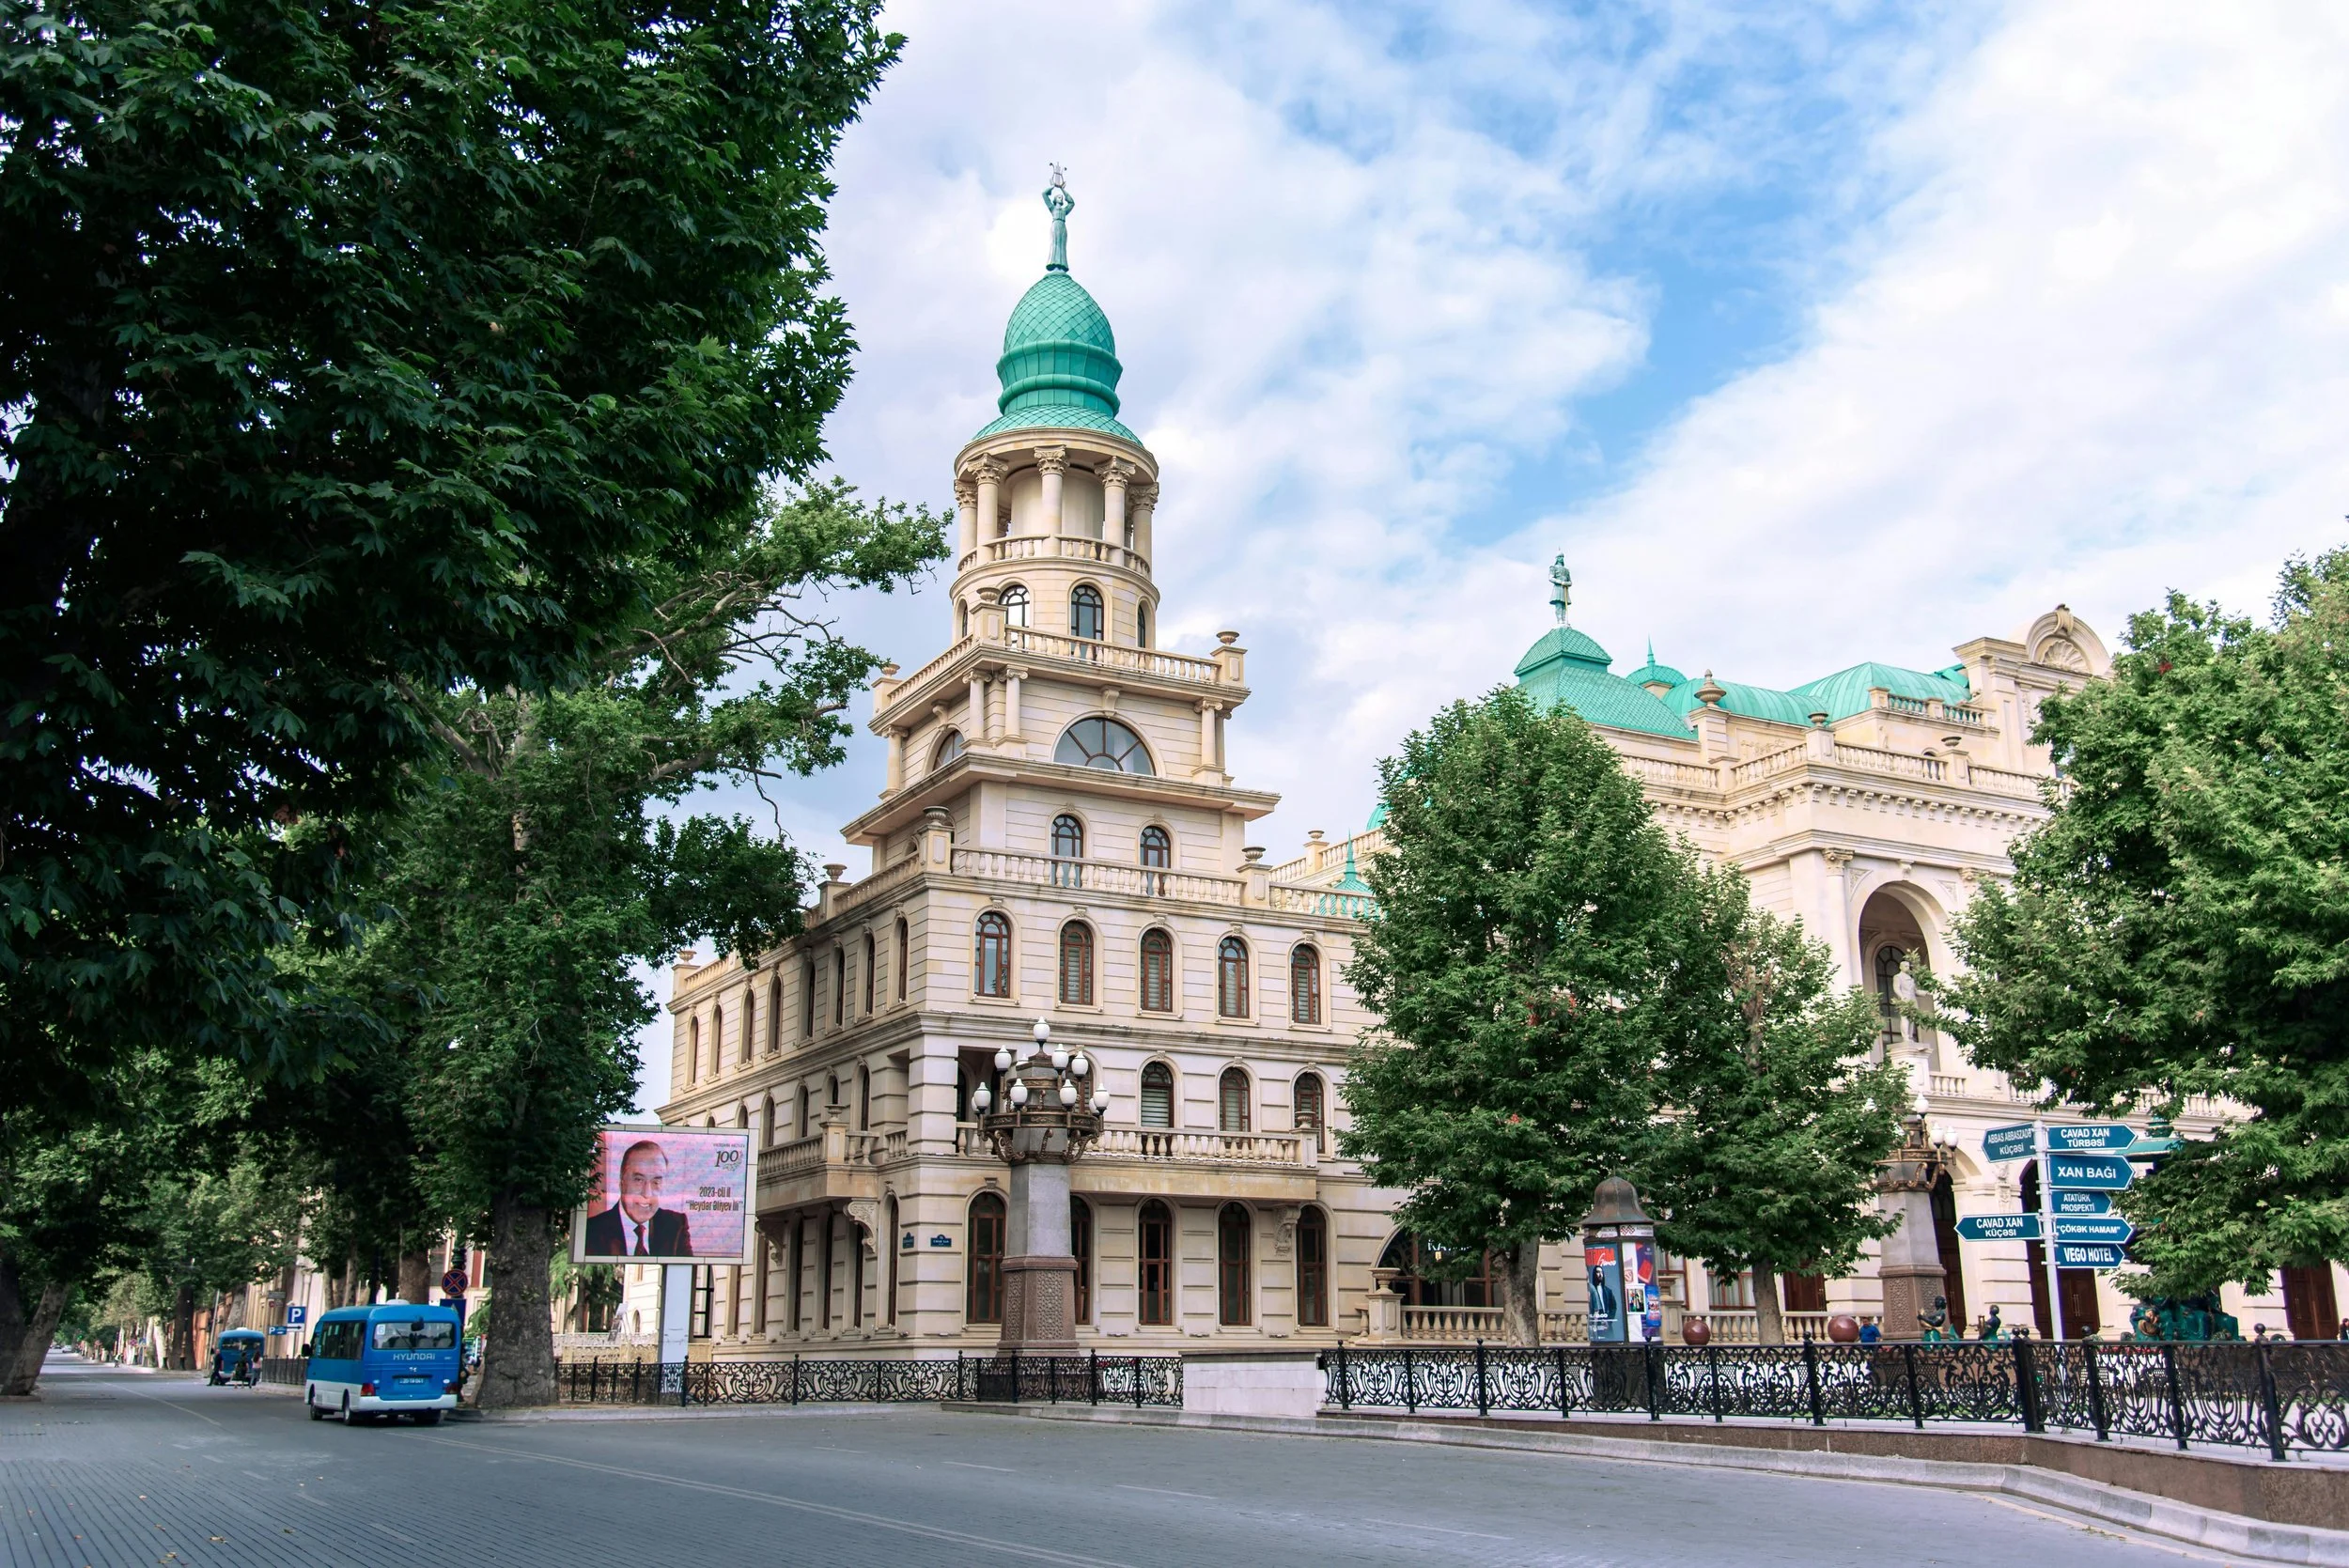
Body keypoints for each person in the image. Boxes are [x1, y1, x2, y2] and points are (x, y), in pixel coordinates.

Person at [582, 1140, 694, 1257]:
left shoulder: (675, 1225)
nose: (647, 1193)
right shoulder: (590, 1231)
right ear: (622, 1182)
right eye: (639, 1180)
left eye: (656, 1181)